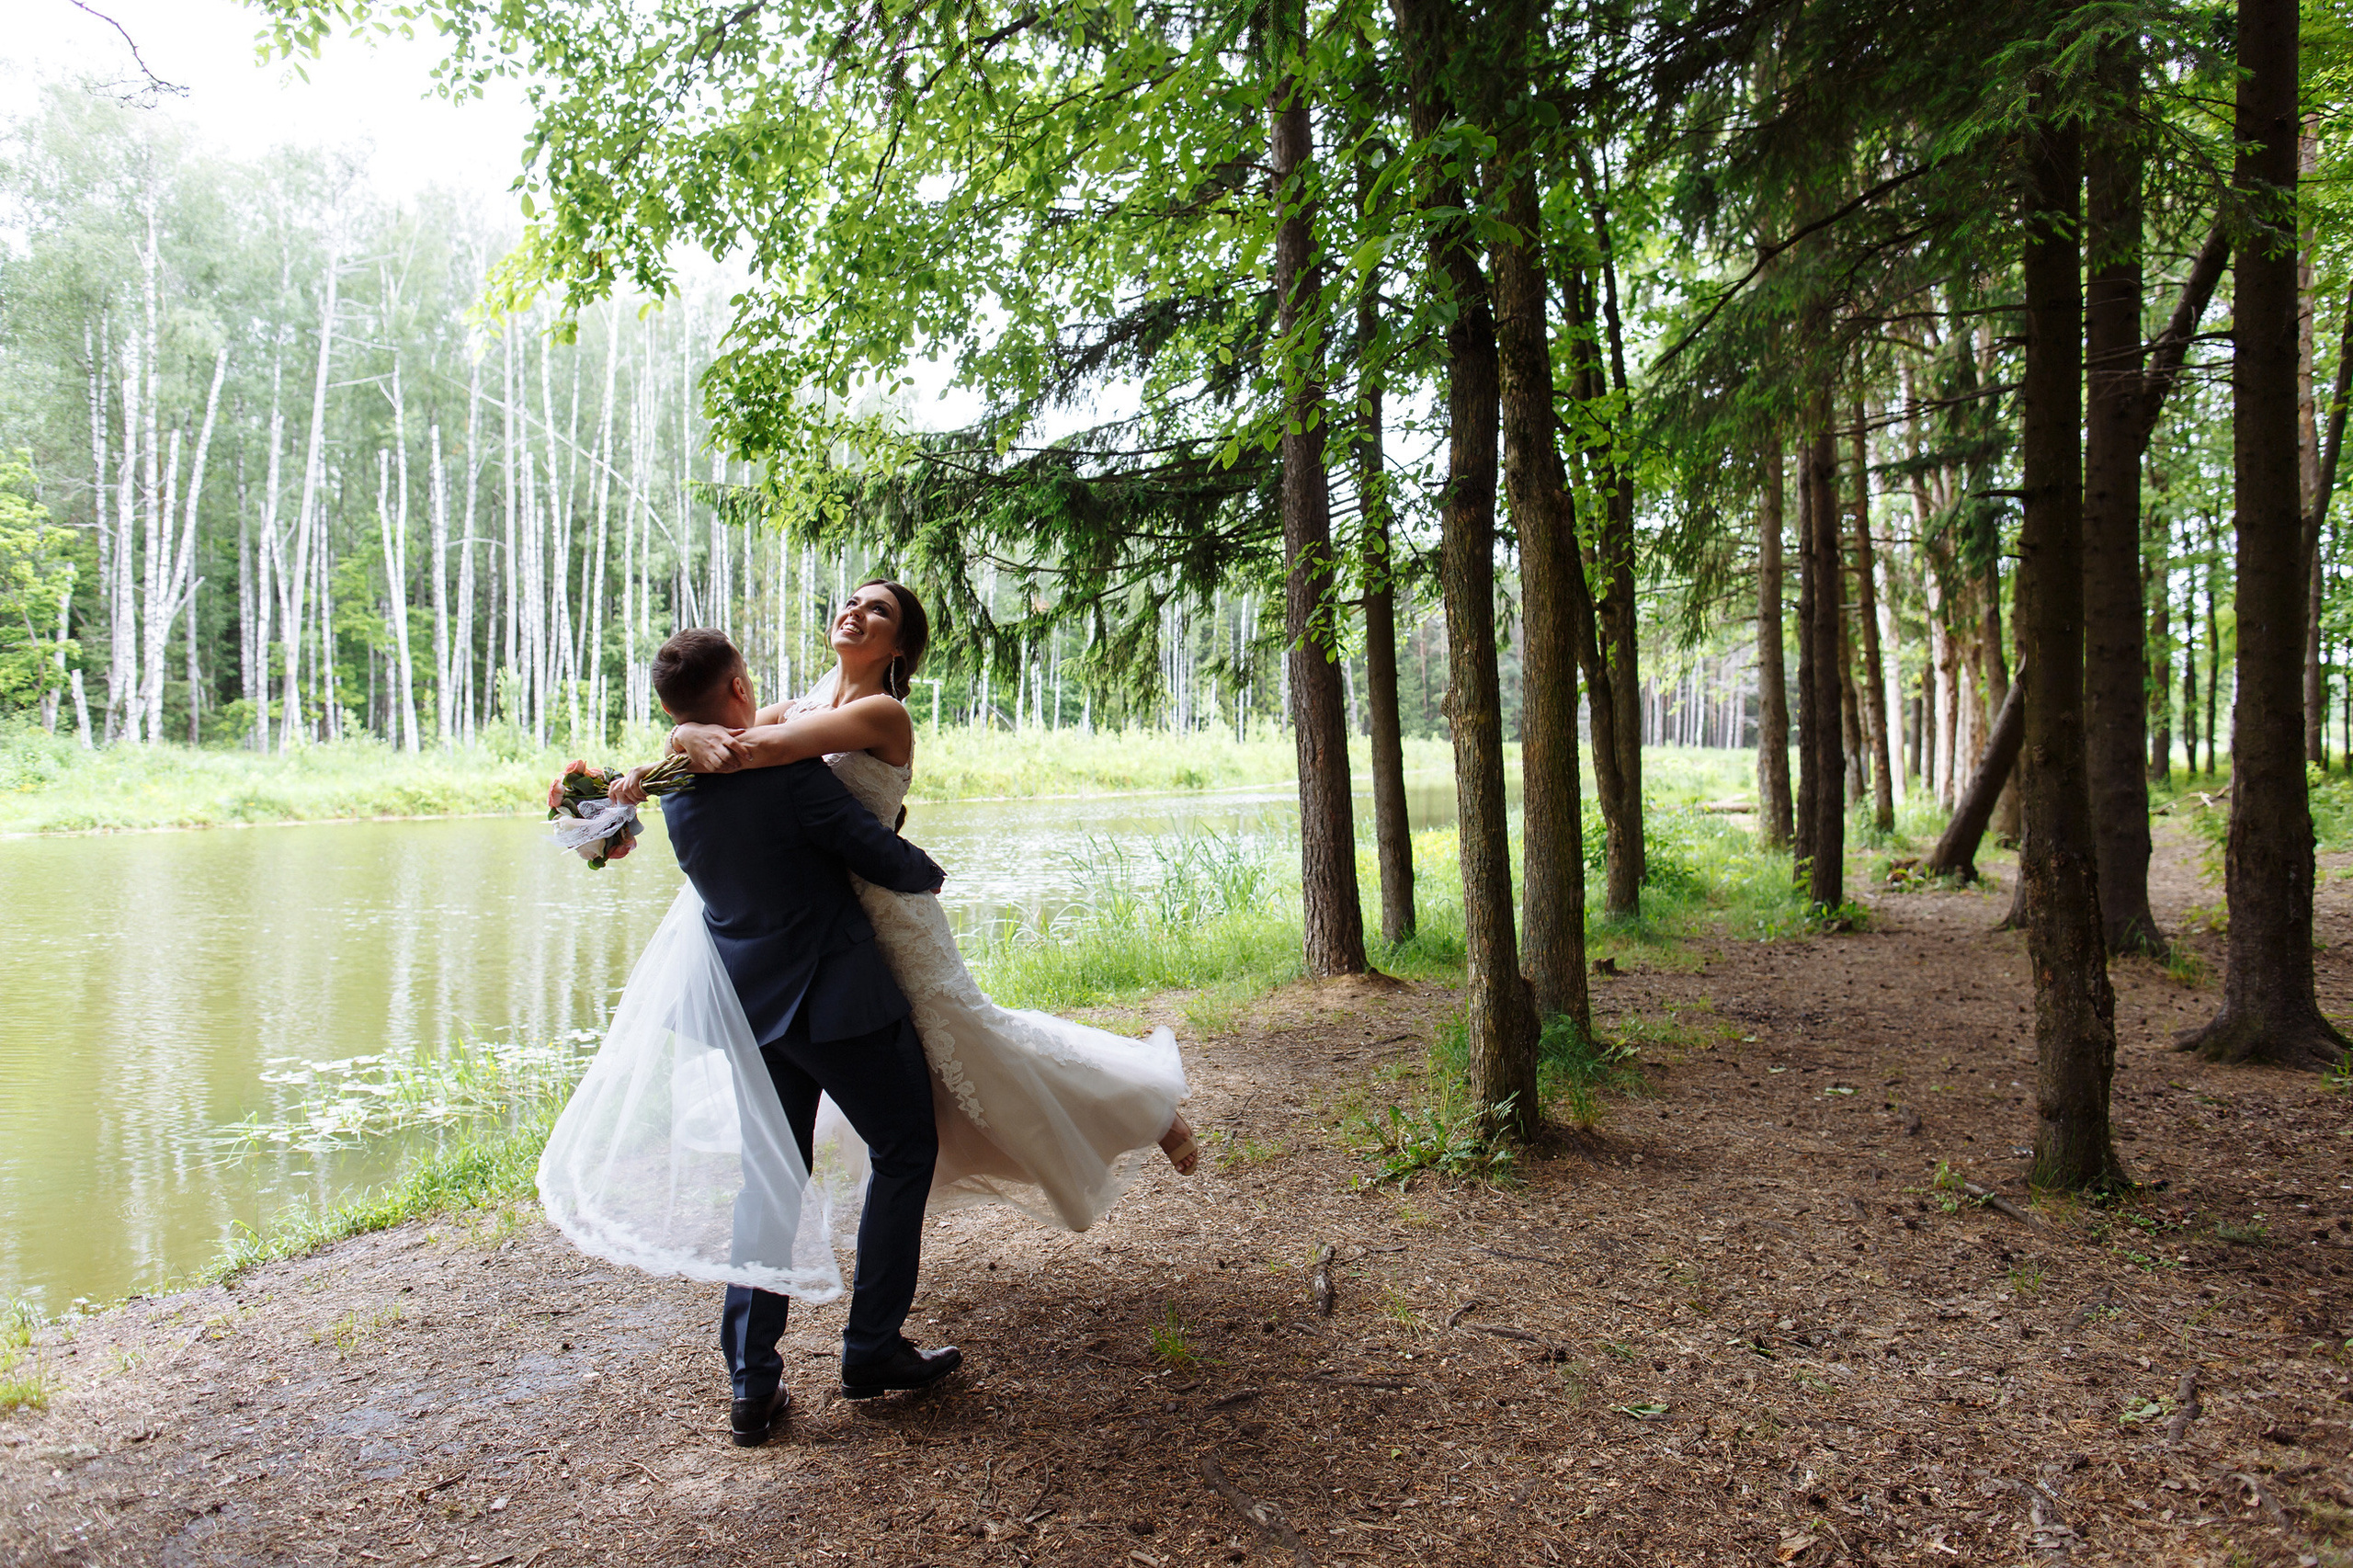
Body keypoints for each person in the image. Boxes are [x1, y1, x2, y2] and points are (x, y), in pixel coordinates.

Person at [608, 579, 1199, 1228]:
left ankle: (1145, 1110)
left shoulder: (883, 714)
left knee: (975, 1043)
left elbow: (753, 749)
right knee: (923, 1077)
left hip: (891, 911)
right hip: (835, 917)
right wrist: (684, 735)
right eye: (852, 602)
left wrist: (686, 734)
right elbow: (734, 736)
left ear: (899, 647)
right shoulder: (797, 706)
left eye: (879, 611)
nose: (856, 612)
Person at [538, 628, 962, 1449]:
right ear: (738, 689)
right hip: (838, 1000)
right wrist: (929, 871)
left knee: (772, 1175)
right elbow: (875, 854)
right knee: (906, 1148)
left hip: (750, 1010)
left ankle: (752, 1381)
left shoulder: (676, 792)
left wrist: (681, 740)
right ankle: (871, 1347)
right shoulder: (790, 777)